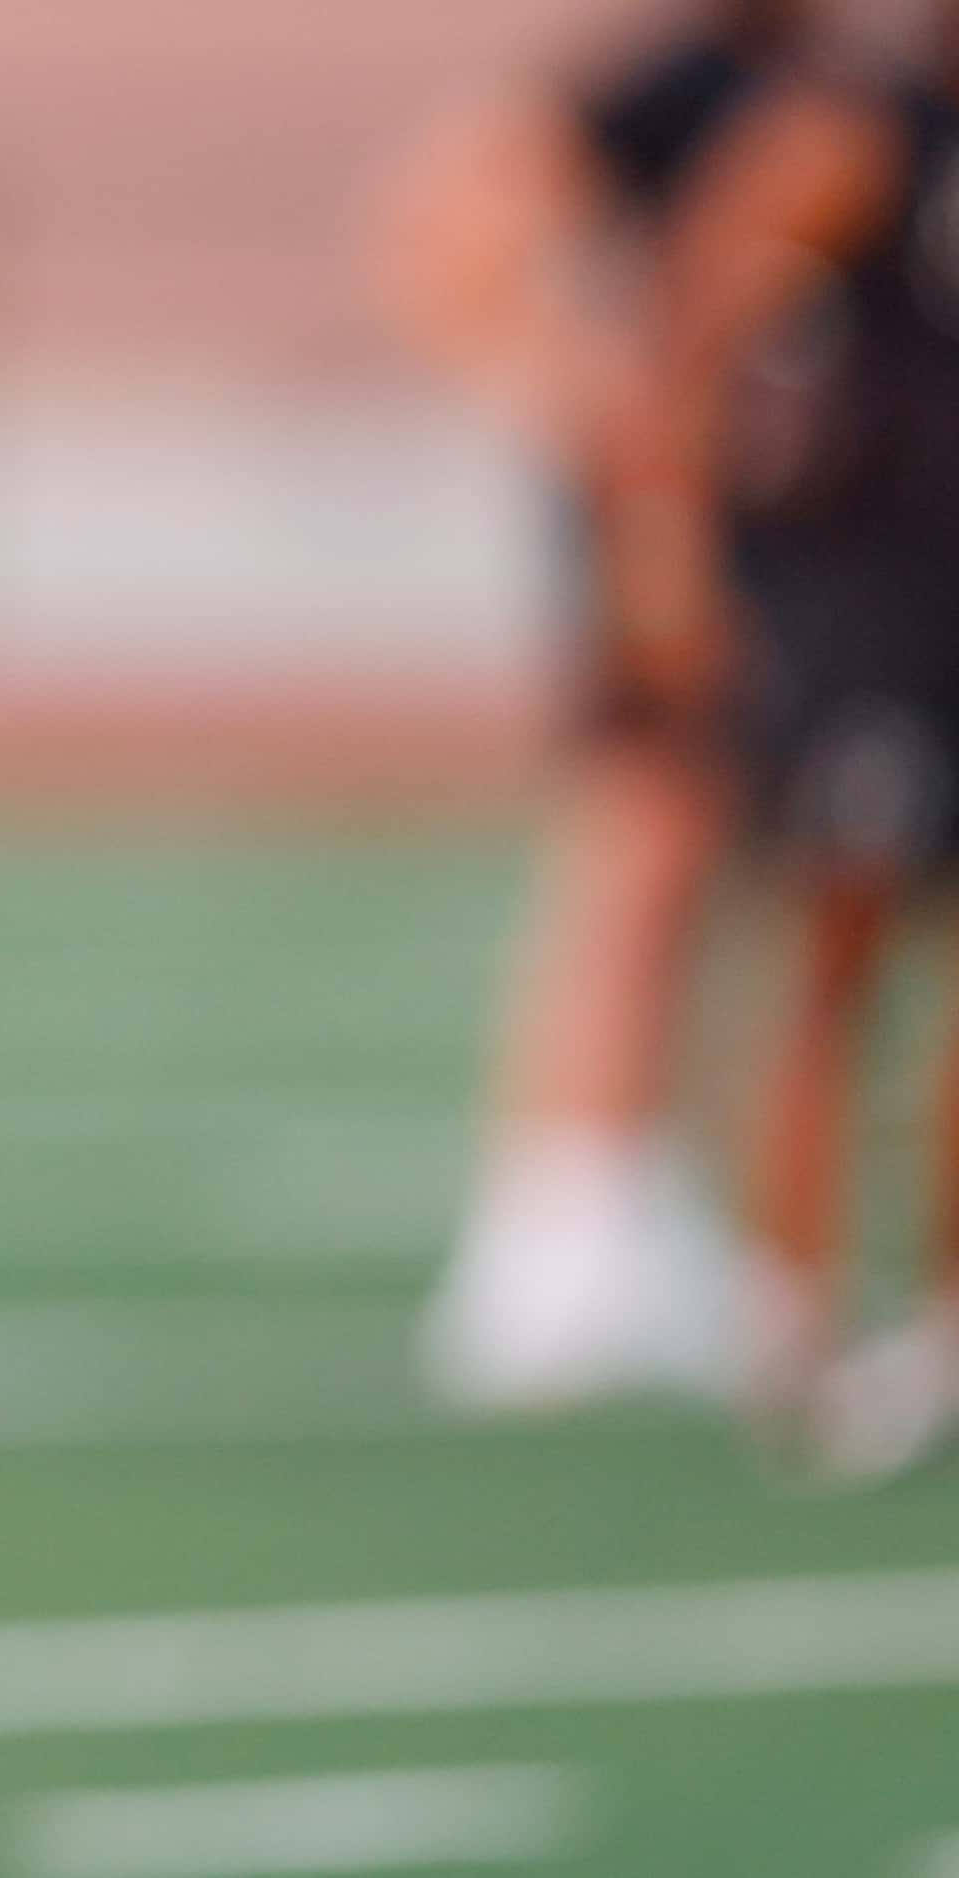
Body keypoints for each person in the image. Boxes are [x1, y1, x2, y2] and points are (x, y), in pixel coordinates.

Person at [374, 0, 818, 1412]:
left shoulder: (812, 83)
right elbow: (451, 224)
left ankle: (623, 1191)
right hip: (672, 519)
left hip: (771, 523)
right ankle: (553, 1237)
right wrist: (597, 406)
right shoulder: (697, 81)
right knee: (643, 834)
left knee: (709, 856)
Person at [617, 1, 959, 1474]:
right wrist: (676, 547)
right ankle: (790, 1312)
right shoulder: (860, 131)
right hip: (875, 613)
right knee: (838, 948)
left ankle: (941, 1322)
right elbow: (697, 323)